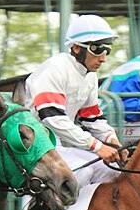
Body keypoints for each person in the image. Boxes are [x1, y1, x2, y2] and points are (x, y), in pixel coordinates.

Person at [25, 13, 124, 175]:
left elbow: (92, 118)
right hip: (36, 145)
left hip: (61, 146)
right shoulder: (55, 69)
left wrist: (111, 140)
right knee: (83, 172)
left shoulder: (90, 76)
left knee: (112, 172)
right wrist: (97, 146)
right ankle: (34, 201)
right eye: (98, 49)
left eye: (107, 50)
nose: (103, 58)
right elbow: (53, 118)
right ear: (76, 48)